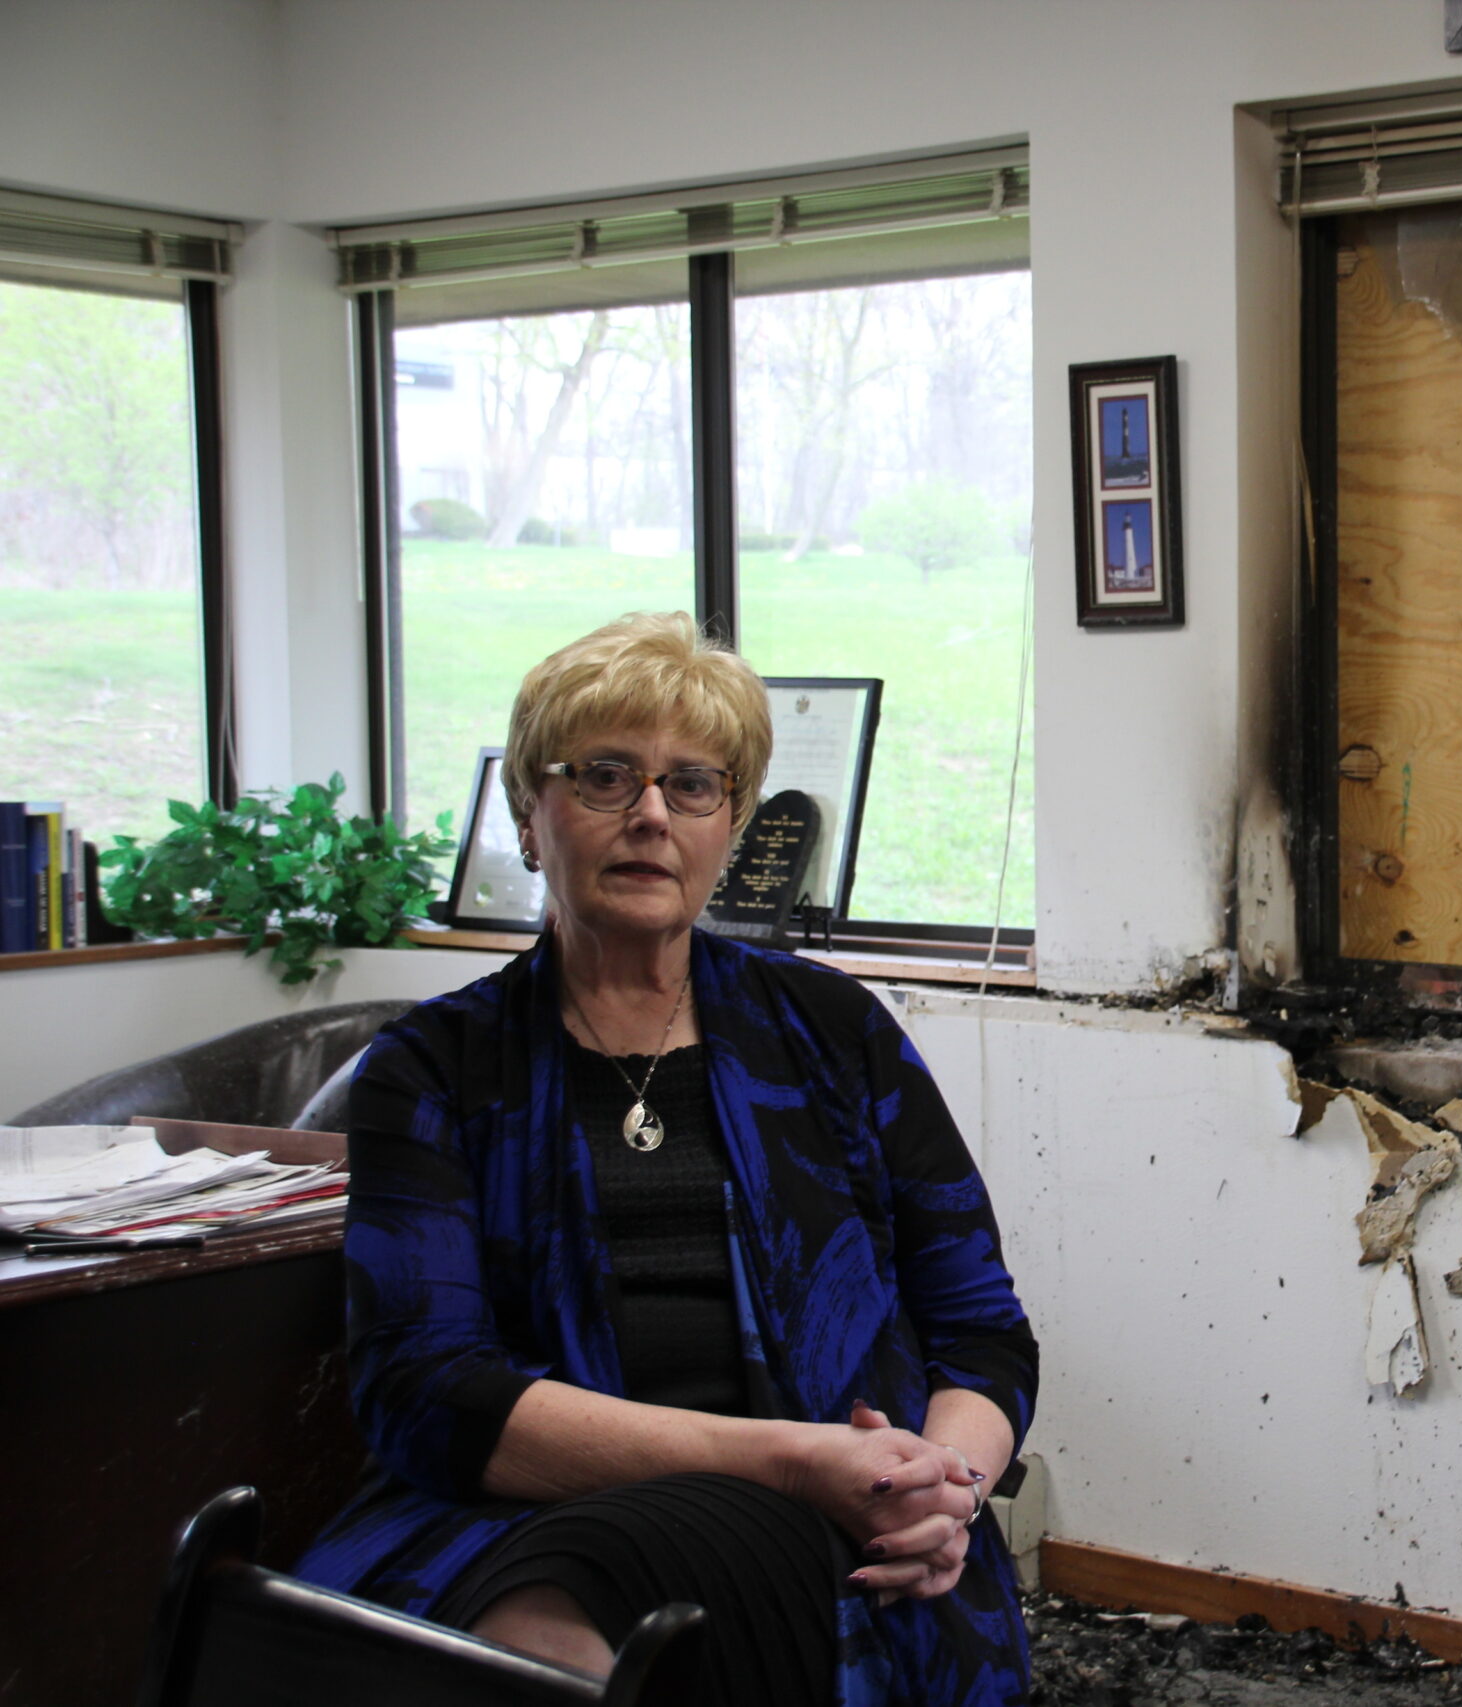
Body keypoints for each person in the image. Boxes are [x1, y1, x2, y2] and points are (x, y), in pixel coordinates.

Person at [298, 612, 1037, 1707]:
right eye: (605, 777)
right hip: (541, 1504)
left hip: (847, 1500)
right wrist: (787, 1457)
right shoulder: (434, 1067)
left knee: (570, 1619)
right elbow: (423, 1390)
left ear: (728, 824)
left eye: (694, 785)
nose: (650, 813)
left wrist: (943, 1491)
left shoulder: (836, 1033)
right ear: (527, 814)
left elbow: (979, 1328)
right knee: (542, 1616)